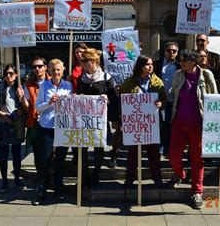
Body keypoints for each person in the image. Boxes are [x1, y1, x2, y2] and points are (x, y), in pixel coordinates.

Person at [169, 49, 217, 209]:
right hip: (179, 122)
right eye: (180, 60)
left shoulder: (206, 75)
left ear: (193, 62)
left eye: (184, 60)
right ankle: (181, 174)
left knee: (197, 159)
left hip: (198, 123)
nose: (181, 63)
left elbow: (214, 96)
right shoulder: (178, 74)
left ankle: (197, 191)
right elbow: (173, 94)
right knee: (174, 155)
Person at [121, 55, 166, 188]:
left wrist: (160, 104)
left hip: (151, 124)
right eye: (147, 64)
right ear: (140, 66)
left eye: (151, 64)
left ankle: (157, 178)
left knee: (154, 153)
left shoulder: (157, 82)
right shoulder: (129, 83)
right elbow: (122, 100)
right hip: (135, 123)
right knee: (133, 153)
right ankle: (130, 177)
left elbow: (164, 100)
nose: (150, 66)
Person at [75, 48, 118, 186]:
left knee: (98, 147)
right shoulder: (82, 78)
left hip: (100, 119)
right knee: (82, 148)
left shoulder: (106, 77)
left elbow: (114, 95)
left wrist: (108, 97)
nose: (83, 63)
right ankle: (85, 174)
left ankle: (96, 174)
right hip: (84, 119)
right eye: (82, 61)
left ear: (94, 61)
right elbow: (77, 93)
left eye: (85, 60)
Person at [32, 59, 72, 205]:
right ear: (49, 70)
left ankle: (58, 189)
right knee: (44, 161)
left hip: (62, 127)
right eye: (53, 70)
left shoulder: (68, 86)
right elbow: (37, 107)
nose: (56, 72)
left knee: (60, 161)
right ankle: (41, 192)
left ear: (63, 70)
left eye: (58, 70)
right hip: (46, 127)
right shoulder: (44, 86)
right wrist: (49, 103)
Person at [0, 64, 26, 193]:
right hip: (3, 123)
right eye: (6, 73)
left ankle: (17, 180)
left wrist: (20, 105)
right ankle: (4, 182)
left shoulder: (20, 88)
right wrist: (2, 114)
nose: (8, 76)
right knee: (3, 153)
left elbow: (26, 105)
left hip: (16, 123)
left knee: (17, 154)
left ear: (16, 75)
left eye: (11, 73)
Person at [19, 57, 49, 178]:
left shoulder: (52, 82)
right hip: (35, 125)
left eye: (39, 66)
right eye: (34, 67)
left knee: (48, 154)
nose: (37, 69)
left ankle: (48, 179)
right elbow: (27, 107)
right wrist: (21, 98)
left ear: (45, 67)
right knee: (37, 154)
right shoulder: (29, 84)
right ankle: (41, 180)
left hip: (49, 124)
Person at [153, 42, 181, 158]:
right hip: (160, 100)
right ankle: (160, 147)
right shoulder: (157, 65)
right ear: (164, 52)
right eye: (169, 50)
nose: (171, 53)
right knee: (160, 125)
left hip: (175, 101)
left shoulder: (180, 66)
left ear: (177, 53)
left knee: (172, 126)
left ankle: (169, 150)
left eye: (174, 51)